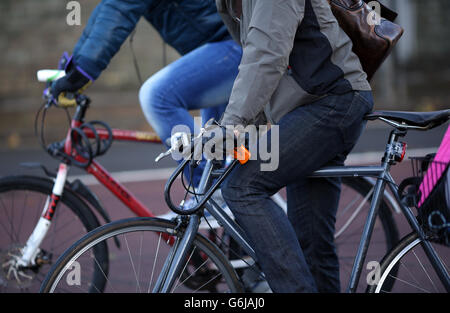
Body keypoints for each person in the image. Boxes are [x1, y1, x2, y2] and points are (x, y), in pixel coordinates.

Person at [212, 0, 375, 292]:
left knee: (242, 187)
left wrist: (231, 125)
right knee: (310, 241)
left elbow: (266, 56)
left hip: (332, 101)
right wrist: (247, 128)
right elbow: (257, 59)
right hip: (309, 105)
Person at [49, 0, 242, 187]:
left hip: (236, 45)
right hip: (219, 46)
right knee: (218, 155)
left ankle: (207, 196)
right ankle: (215, 199)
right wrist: (73, 68)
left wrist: (81, 73)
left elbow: (119, 10)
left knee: (158, 97)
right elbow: (106, 10)